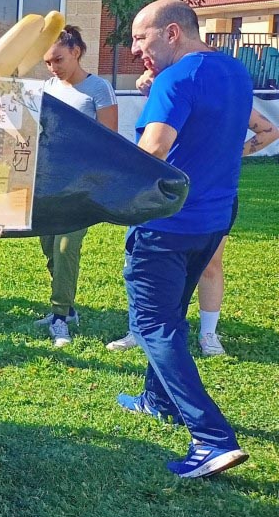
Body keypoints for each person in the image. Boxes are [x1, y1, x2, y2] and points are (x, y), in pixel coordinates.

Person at [115, 0, 251, 478]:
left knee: (153, 323)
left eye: (140, 37)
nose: (134, 50)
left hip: (165, 226)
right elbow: (221, 132)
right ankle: (157, 400)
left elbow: (153, 150)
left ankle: (212, 439)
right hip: (212, 221)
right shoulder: (234, 72)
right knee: (170, 315)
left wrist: (108, 194)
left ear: (172, 32)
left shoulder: (176, 79)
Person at [109, 99, 278, 356]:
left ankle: (208, 333)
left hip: (210, 196)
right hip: (167, 194)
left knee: (210, 264)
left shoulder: (224, 100)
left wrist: (234, 153)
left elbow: (268, 130)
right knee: (145, 264)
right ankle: (140, 328)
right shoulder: (173, 92)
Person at [34, 25, 118, 346]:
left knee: (67, 247)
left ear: (76, 52)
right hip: (49, 184)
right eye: (47, 62)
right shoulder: (47, 88)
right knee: (49, 247)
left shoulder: (99, 89)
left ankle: (59, 317)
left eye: (58, 59)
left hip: (80, 186)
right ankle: (67, 309)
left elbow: (109, 140)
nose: (53, 67)